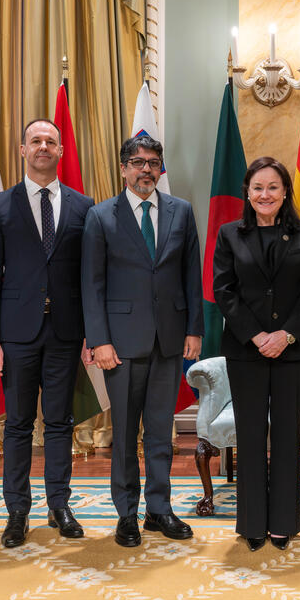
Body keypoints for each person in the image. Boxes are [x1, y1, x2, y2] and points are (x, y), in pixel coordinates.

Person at [81, 133, 204, 547]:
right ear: (124, 168)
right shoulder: (100, 217)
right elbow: (92, 285)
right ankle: (126, 514)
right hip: (121, 344)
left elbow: (191, 276)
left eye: (153, 162)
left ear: (160, 168)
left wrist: (194, 330)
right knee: (125, 435)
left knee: (159, 432)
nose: (146, 168)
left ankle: (159, 510)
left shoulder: (181, 212)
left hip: (169, 341)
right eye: (138, 162)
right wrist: (99, 340)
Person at [0, 119, 94, 548]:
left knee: (61, 423)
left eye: (51, 141)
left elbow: (89, 277)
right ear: (22, 149)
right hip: (15, 334)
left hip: (66, 333)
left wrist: (91, 334)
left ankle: (59, 505)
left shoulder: (85, 207)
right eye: (35, 141)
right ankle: (17, 511)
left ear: (61, 151)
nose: (43, 146)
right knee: (19, 425)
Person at [212, 157, 300, 551]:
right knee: (251, 434)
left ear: (285, 193)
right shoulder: (229, 234)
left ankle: (284, 523)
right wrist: (258, 336)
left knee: (287, 435)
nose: (265, 195)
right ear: (247, 191)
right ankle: (252, 524)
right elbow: (223, 291)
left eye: (273, 187)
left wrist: (286, 335)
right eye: (258, 187)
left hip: (293, 351)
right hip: (246, 350)